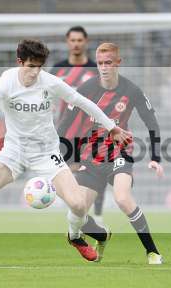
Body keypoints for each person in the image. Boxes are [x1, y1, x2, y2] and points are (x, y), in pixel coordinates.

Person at [0, 39, 131, 265]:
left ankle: (75, 237)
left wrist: (111, 127)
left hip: (46, 153)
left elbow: (83, 102)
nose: (35, 72)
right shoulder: (7, 80)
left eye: (39, 66)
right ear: (19, 62)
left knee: (78, 205)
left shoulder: (50, 82)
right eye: (31, 66)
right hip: (13, 152)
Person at [60, 42, 164, 264]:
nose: (104, 68)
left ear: (118, 63)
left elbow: (151, 122)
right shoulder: (86, 89)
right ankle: (102, 235)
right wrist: (64, 156)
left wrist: (156, 157)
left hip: (119, 154)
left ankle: (152, 252)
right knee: (76, 213)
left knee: (123, 198)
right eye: (100, 63)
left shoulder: (131, 90)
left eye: (109, 63)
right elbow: (65, 123)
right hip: (91, 157)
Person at [52, 26, 106, 224]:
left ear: (86, 42)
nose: (76, 44)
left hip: (91, 132)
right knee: (65, 173)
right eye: (72, 40)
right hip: (65, 132)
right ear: (68, 42)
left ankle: (98, 216)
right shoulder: (58, 70)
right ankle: (80, 214)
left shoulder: (95, 70)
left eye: (79, 40)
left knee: (97, 173)